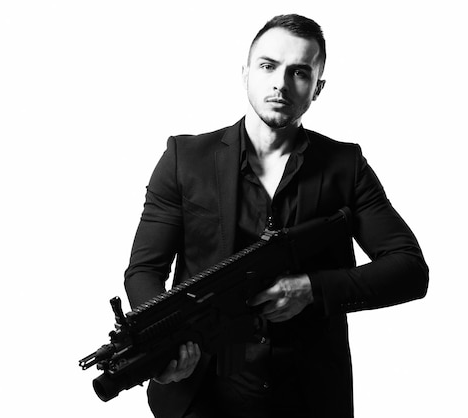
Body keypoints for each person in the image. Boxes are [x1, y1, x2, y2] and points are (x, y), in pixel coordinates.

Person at [124, 14, 428, 418]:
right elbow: (144, 270)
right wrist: (163, 345)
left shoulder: (346, 166)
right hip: (200, 395)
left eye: (299, 72)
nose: (280, 84)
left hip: (309, 396)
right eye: (268, 66)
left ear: (317, 88)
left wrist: (312, 289)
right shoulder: (184, 158)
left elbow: (409, 270)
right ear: (246, 72)